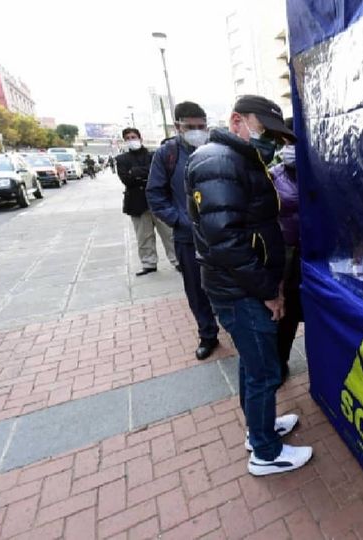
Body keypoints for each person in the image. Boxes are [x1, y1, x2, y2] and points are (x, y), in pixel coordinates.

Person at [186, 95, 312, 476]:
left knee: (253, 364)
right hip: (240, 289)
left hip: (244, 285)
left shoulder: (240, 159)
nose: (270, 141)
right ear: (236, 121)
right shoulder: (219, 161)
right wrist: (268, 291)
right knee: (265, 371)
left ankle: (259, 429)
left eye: (275, 135)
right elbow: (227, 242)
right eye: (264, 130)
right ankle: (266, 453)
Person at [147, 102, 220, 361]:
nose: (197, 132)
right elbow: (155, 195)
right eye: (191, 127)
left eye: (202, 126)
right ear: (177, 126)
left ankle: (232, 325)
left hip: (221, 234)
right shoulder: (167, 154)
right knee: (196, 289)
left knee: (228, 284)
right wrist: (180, 220)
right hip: (188, 237)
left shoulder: (217, 148)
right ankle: (208, 334)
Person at [116, 128, 178, 276]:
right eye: (128, 138)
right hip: (137, 203)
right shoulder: (121, 159)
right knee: (143, 236)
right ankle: (149, 263)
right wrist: (145, 173)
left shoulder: (154, 155)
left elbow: (159, 174)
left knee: (169, 234)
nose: (131, 140)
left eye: (133, 137)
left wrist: (135, 172)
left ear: (140, 138)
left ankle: (177, 260)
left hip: (158, 201)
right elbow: (127, 179)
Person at [270, 124, 302, 382]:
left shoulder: (319, 172)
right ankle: (280, 361)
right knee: (287, 312)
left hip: (317, 252)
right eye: (287, 142)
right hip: (288, 252)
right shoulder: (273, 176)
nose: (291, 148)